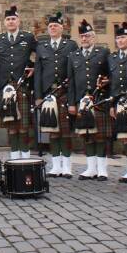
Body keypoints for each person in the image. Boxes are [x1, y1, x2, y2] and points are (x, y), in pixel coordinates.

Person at [34, 11, 78, 178]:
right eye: (50, 26)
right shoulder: (41, 47)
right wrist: (38, 96)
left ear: (61, 28)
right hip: (48, 94)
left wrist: (73, 100)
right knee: (52, 131)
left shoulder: (71, 45)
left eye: (55, 26)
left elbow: (75, 72)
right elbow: (38, 73)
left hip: (65, 93)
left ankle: (66, 166)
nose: (52, 28)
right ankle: (55, 166)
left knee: (65, 132)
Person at [68, 19, 111, 181]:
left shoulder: (103, 52)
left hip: (99, 100)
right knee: (87, 135)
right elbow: (71, 82)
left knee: (100, 136)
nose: (84, 39)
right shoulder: (73, 56)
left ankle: (102, 169)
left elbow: (111, 75)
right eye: (82, 36)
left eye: (87, 36)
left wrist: (107, 83)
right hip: (81, 101)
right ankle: (91, 168)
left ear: (93, 37)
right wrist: (71, 103)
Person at [0, 5, 37, 160]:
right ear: (4, 22)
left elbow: (42, 55)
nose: (11, 21)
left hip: (22, 85)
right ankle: (14, 157)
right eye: (8, 19)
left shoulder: (28, 37)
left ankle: (25, 157)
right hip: (6, 87)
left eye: (13, 19)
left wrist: (34, 67)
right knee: (11, 125)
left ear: (18, 21)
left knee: (23, 126)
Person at [108, 23, 127, 183]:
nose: (120, 40)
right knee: (126, 136)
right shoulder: (112, 58)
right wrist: (112, 104)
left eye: (123, 37)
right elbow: (112, 83)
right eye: (118, 38)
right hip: (120, 101)